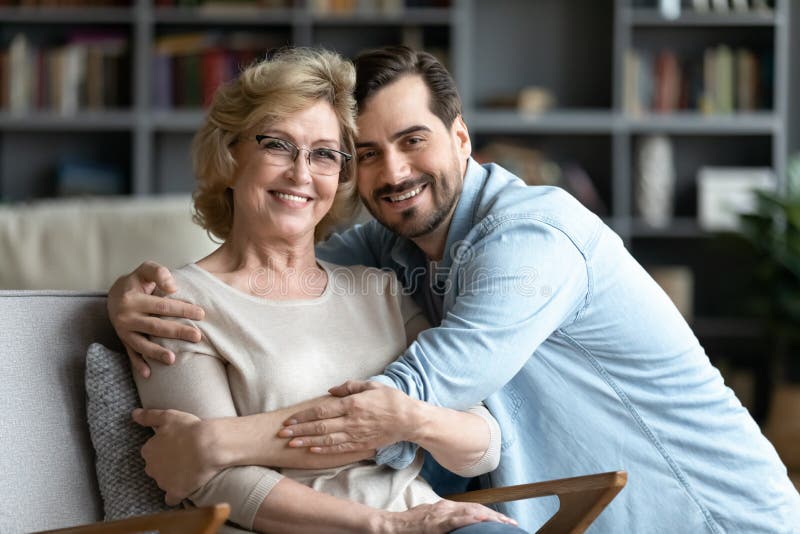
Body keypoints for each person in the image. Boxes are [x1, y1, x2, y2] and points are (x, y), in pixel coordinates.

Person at [110, 46, 800, 532]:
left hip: (707, 517)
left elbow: (395, 408)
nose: (395, 171)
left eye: (414, 141)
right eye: (368, 153)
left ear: (463, 139)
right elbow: (273, 263)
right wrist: (124, 293)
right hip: (564, 515)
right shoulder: (391, 244)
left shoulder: (531, 242)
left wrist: (215, 445)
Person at [130, 47, 523, 534]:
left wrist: (407, 420)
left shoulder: (377, 285)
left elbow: (481, 442)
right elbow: (214, 482)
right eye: (277, 145)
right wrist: (387, 526)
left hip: (437, 524)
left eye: (324, 154)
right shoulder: (173, 305)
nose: (301, 173)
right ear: (231, 156)